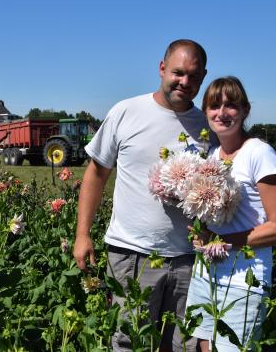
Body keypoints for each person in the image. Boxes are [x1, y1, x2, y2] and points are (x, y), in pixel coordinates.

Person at [74, 39, 210, 351]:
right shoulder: (126, 112)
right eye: (178, 72)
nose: (184, 82)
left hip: (190, 258)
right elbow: (96, 174)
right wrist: (82, 234)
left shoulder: (207, 126)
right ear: (162, 69)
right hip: (133, 254)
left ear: (203, 77)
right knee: (130, 342)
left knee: (184, 345)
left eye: (193, 76)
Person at [185, 76, 276, 351]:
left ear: (245, 110)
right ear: (205, 112)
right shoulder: (212, 156)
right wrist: (203, 235)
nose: (222, 113)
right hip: (206, 276)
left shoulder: (259, 153)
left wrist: (224, 243)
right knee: (203, 347)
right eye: (214, 106)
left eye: (231, 105)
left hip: (243, 280)